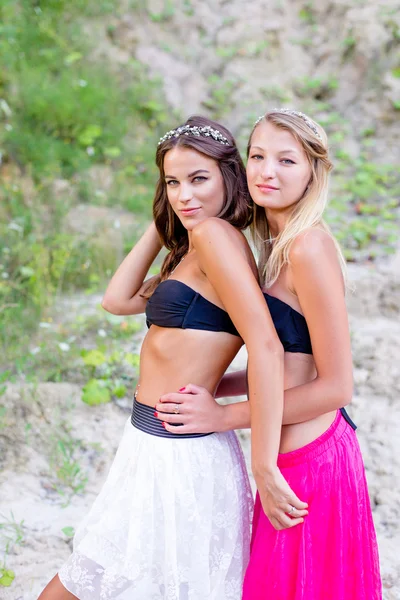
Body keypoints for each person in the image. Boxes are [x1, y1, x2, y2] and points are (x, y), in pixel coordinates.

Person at [38, 115, 307, 600]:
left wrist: (263, 464)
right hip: (149, 445)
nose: (185, 194)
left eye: (199, 179)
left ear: (231, 177)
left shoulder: (216, 240)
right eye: (172, 183)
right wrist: (167, 220)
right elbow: (116, 299)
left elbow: (265, 345)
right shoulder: (198, 242)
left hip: (179, 452)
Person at [156, 109, 382, 599]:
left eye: (286, 160)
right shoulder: (273, 247)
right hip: (286, 460)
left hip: (311, 465)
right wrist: (220, 383)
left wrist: (223, 415)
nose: (266, 172)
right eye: (257, 156)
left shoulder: (308, 247)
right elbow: (292, 363)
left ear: (313, 173)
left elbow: (337, 386)